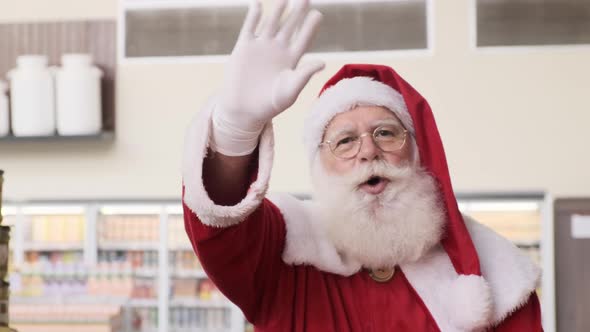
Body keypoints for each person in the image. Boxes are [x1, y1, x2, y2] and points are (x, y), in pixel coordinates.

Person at [182, 0, 543, 331]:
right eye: (345, 141)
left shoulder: (495, 275)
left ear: (418, 155)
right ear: (319, 168)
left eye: (386, 133)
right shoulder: (285, 251)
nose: (368, 151)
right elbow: (223, 228)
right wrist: (236, 130)